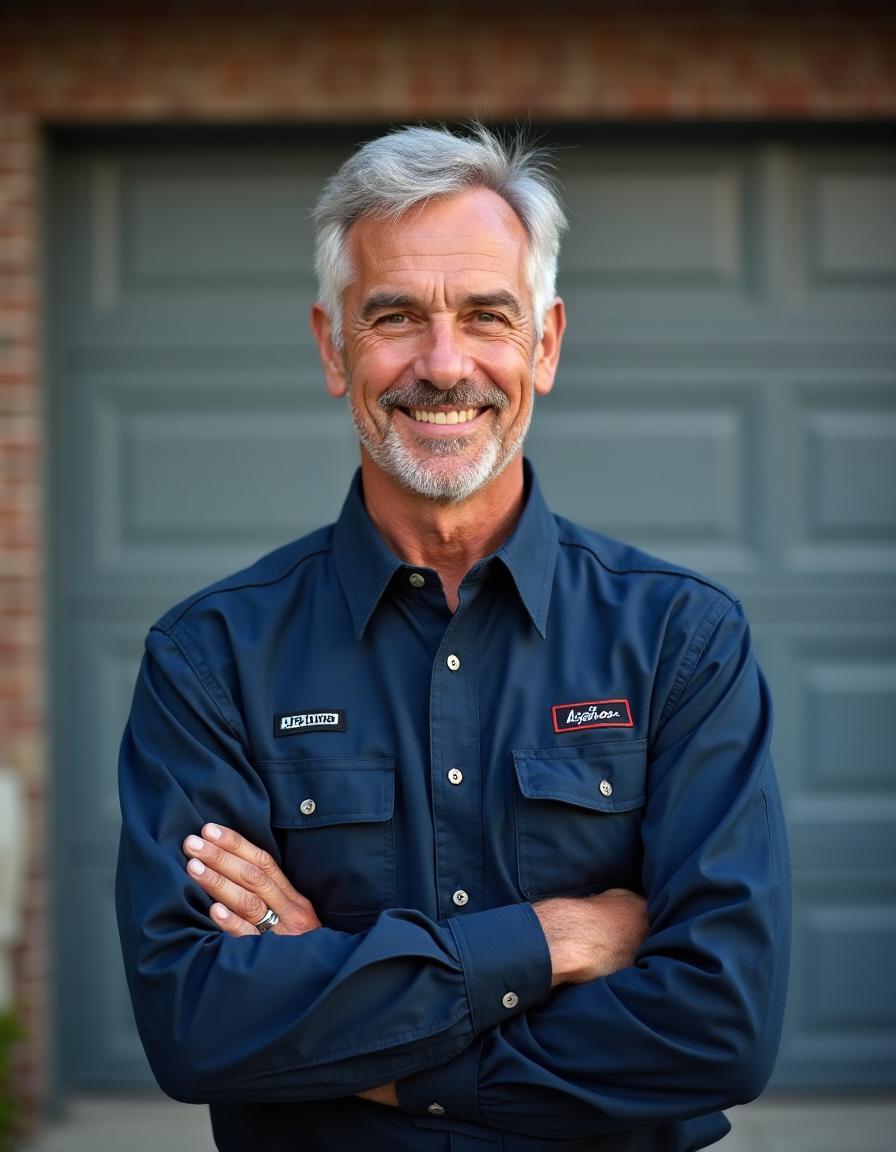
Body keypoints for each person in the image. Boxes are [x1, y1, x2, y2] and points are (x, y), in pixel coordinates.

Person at [116, 124, 790, 1152]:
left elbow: (719, 1026)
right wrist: (553, 938)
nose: (442, 366)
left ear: (545, 345)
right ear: (332, 347)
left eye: (486, 316)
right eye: (394, 316)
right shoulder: (209, 661)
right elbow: (198, 1023)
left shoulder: (679, 645)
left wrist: (372, 1056)